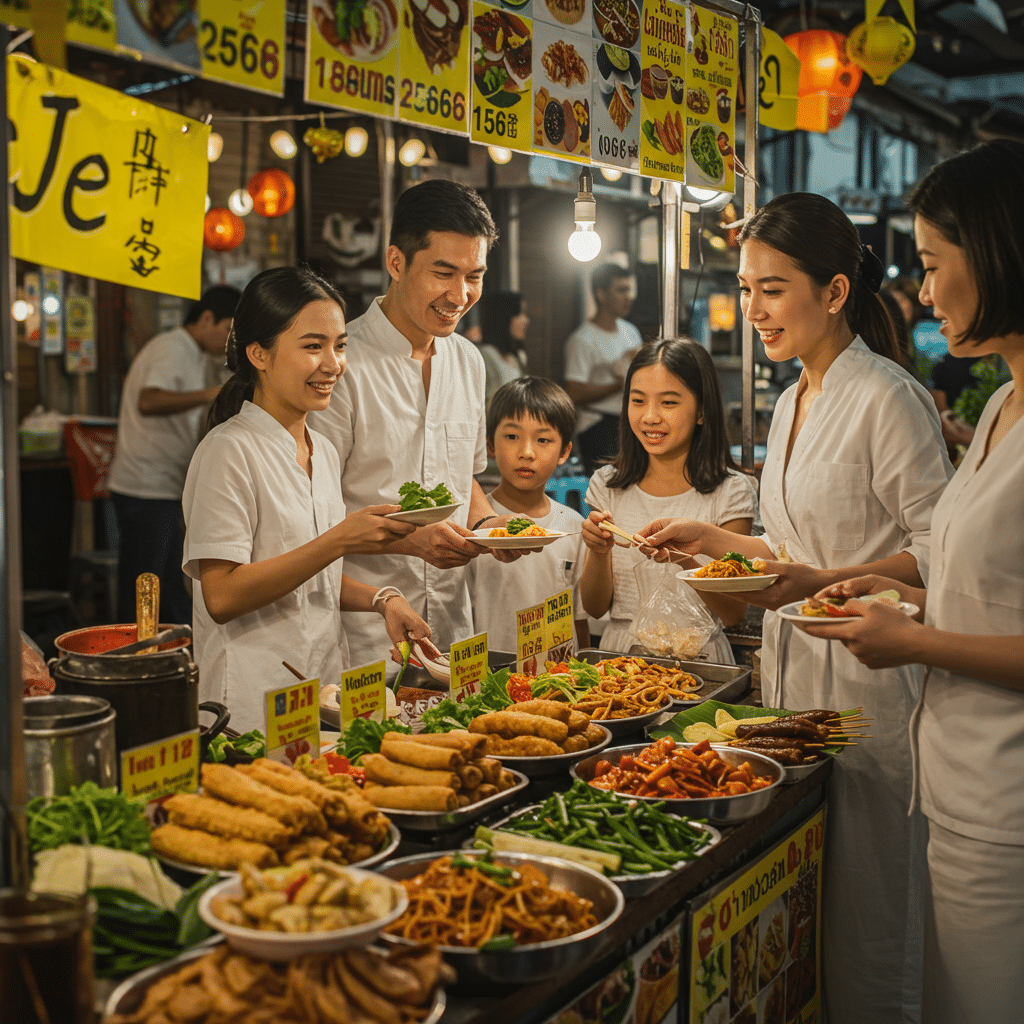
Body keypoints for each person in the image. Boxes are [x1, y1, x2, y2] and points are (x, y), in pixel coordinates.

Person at [636, 194, 954, 1024]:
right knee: (809, 911)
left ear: (835, 291)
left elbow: (937, 553)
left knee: (873, 919)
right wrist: (713, 539)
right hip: (794, 689)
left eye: (772, 289)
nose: (754, 310)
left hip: (874, 691)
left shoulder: (889, 398)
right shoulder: (789, 402)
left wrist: (820, 580)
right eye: (747, 289)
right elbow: (783, 553)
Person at [799, 140, 1024, 1024]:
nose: (924, 293)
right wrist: (898, 599)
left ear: (1002, 250)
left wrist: (915, 639)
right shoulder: (1000, 402)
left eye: (933, 265)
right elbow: (987, 585)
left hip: (1007, 803)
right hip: (957, 784)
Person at [181, 267, 429, 731]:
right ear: (259, 353)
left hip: (321, 693)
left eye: (340, 345)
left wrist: (383, 599)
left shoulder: (324, 449)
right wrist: (339, 541)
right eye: (313, 346)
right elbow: (221, 594)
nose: (333, 364)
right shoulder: (227, 451)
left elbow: (310, 576)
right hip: (250, 706)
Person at [309, 179, 529, 675]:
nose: (461, 294)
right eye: (444, 273)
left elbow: (464, 476)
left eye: (475, 275)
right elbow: (312, 512)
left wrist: (490, 526)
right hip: (365, 631)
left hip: (451, 625)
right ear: (396, 263)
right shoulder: (342, 364)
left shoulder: (468, 361)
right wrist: (411, 540)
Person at [580, 338, 755, 662]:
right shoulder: (607, 485)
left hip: (701, 659)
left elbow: (733, 613)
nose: (649, 417)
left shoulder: (731, 492)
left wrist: (685, 561)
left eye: (669, 403)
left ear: (702, 411)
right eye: (638, 400)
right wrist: (597, 550)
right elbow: (594, 606)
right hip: (621, 657)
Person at [108, 285, 241, 625]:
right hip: (145, 488)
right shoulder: (172, 347)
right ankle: (134, 660)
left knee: (165, 581)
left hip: (161, 485)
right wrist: (209, 394)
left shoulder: (192, 353)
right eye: (227, 329)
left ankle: (163, 658)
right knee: (145, 583)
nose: (228, 340)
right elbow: (148, 400)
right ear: (206, 318)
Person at [467, 378, 590, 655]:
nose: (526, 453)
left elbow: (579, 620)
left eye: (543, 440)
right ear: (489, 445)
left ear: (564, 452)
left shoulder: (573, 526)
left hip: (558, 679)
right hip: (490, 676)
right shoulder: (474, 528)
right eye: (512, 437)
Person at [564, 262, 642, 470]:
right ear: (601, 294)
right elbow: (574, 392)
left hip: (629, 423)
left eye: (630, 289)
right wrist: (620, 383)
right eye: (621, 290)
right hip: (598, 427)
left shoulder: (630, 332)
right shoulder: (583, 339)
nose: (629, 297)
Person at [478, 291, 528, 410]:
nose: (526, 320)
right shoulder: (485, 355)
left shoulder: (519, 356)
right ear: (503, 317)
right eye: (519, 314)